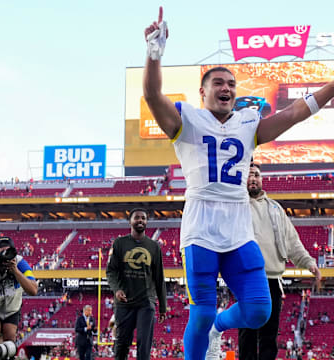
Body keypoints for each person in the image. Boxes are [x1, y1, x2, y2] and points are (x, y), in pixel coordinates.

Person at [143, 7, 334, 360]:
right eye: (219, 83)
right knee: (199, 311)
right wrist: (154, 54)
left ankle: (219, 326)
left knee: (260, 310)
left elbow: (293, 113)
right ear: (203, 92)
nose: (227, 88)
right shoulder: (188, 119)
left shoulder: (248, 123)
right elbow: (154, 97)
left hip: (238, 226)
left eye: (232, 84)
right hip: (201, 225)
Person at [206, 163, 322, 360]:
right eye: (249, 176)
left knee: (269, 335)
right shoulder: (235, 206)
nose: (253, 179)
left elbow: (292, 242)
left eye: (257, 175)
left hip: (272, 279)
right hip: (246, 279)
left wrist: (309, 263)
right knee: (247, 335)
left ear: (262, 179)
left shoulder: (276, 209)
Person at [106, 208, 167, 360]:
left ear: (146, 222)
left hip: (146, 302)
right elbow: (111, 271)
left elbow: (159, 278)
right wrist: (117, 289)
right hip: (124, 302)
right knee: (122, 344)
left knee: (144, 344)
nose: (140, 220)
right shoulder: (120, 243)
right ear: (130, 221)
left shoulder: (154, 247)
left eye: (143, 218)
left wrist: (163, 307)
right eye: (137, 218)